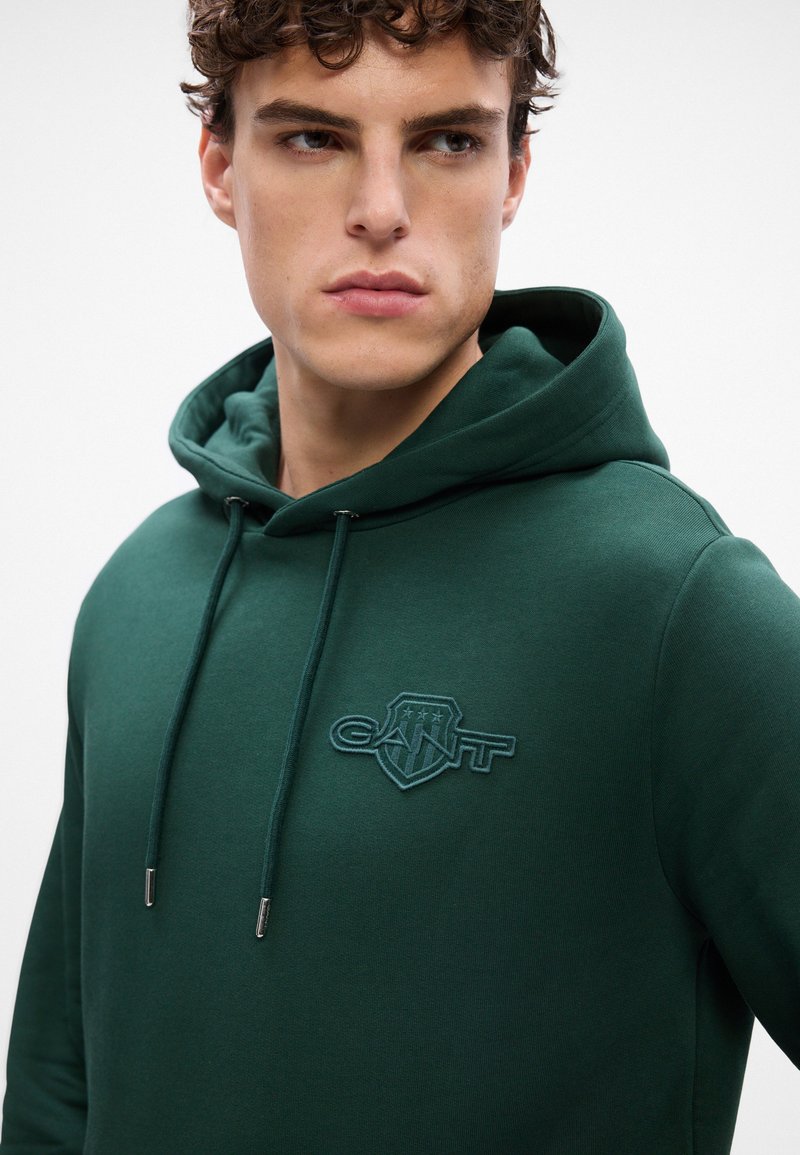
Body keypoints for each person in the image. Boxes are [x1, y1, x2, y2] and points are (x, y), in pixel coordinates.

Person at [2, 0, 799, 1151]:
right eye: (312, 138)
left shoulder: (670, 605)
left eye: (446, 140)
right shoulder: (140, 594)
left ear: (511, 173)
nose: (381, 210)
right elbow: (55, 1092)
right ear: (219, 167)